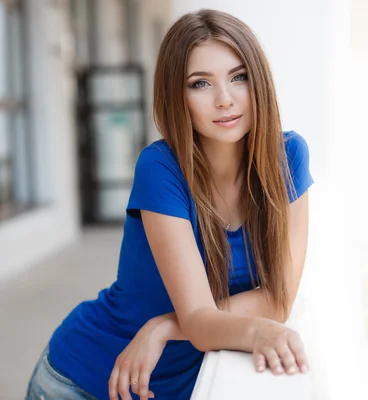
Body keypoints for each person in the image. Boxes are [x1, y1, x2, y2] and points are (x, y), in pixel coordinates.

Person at [25, 8, 313, 400]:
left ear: (258, 80)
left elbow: (278, 299)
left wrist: (164, 326)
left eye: (238, 76)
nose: (224, 100)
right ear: (177, 96)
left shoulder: (287, 157)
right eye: (200, 84)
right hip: (88, 379)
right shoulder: (161, 168)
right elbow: (201, 318)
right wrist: (254, 330)